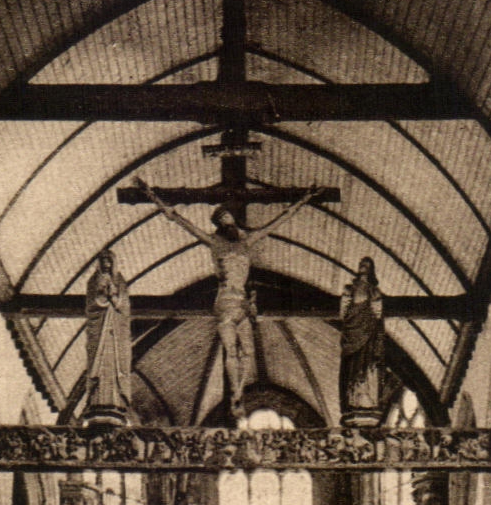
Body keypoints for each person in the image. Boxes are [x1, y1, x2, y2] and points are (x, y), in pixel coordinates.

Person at [135, 177, 324, 419]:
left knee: (247, 352)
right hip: (225, 300)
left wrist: (305, 199)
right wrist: (153, 197)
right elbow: (180, 221)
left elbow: (278, 222)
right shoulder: (215, 242)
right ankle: (235, 393)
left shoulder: (246, 241)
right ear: (219, 224)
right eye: (222, 218)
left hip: (243, 302)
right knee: (231, 351)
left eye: (228, 216)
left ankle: (237, 392)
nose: (227, 219)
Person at [83, 249, 132, 424]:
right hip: (100, 331)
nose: (106, 265)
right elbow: (92, 304)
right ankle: (96, 401)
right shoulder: (93, 282)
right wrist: (103, 297)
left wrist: (114, 296)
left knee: (114, 366)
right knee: (100, 364)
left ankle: (117, 402)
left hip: (115, 333)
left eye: (109, 262)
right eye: (103, 262)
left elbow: (124, 306)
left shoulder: (121, 282)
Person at [338, 256, 385, 423]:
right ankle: (353, 399)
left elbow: (378, 314)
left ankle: (366, 400)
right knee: (352, 367)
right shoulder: (350, 288)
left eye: (366, 265)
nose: (362, 266)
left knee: (366, 364)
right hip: (352, 332)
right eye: (361, 264)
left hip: (368, 332)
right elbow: (343, 313)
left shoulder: (374, 291)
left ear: (371, 269)